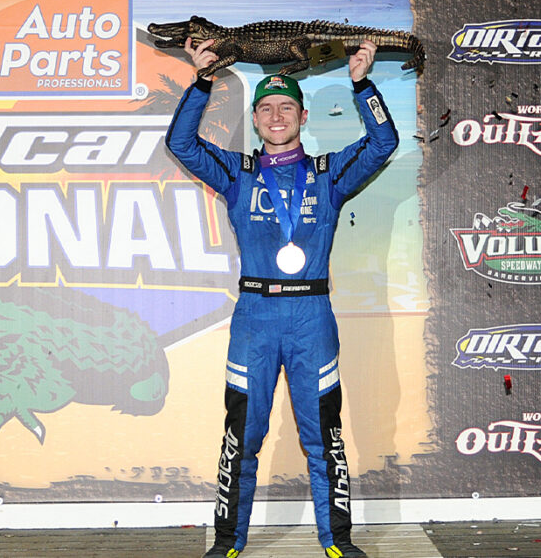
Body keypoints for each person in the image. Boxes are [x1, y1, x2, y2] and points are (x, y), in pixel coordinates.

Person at [164, 38, 398, 558]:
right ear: (254, 117)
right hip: (256, 317)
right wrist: (202, 81)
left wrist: (362, 84)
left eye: (286, 106)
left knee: (325, 437)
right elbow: (181, 145)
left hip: (312, 316)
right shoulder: (238, 172)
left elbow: (382, 144)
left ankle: (337, 543)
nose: (276, 115)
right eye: (266, 108)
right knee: (241, 436)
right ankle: (227, 543)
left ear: (302, 114)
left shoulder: (328, 173)